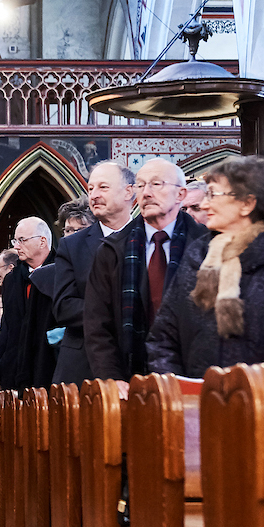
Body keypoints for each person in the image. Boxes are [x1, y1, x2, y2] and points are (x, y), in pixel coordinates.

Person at [147, 156, 264, 393]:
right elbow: (163, 336)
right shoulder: (198, 255)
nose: (204, 205)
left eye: (213, 195)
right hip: (197, 408)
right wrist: (178, 389)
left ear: (247, 204)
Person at [85, 158, 207, 394]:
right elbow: (97, 324)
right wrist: (112, 377)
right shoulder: (113, 249)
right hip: (130, 379)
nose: (147, 193)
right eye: (140, 186)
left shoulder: (206, 245)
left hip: (195, 378)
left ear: (180, 194)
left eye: (156, 184)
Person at [51, 161, 135, 386]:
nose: (94, 195)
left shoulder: (147, 240)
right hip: (82, 366)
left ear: (129, 192)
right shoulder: (72, 245)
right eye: (91, 189)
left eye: (103, 188)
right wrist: (117, 313)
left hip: (137, 363)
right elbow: (63, 306)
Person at [0, 217, 56, 390]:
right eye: (15, 240)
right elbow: (7, 329)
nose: (16, 246)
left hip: (51, 368)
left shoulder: (62, 271)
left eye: (22, 240)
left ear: (42, 242)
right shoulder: (12, 280)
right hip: (15, 371)